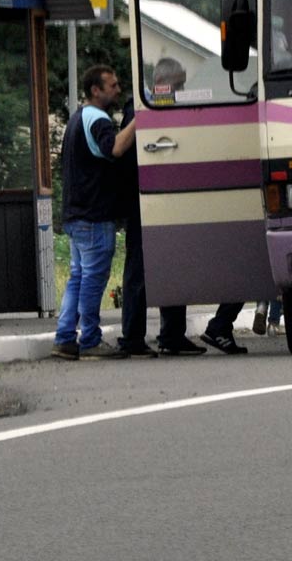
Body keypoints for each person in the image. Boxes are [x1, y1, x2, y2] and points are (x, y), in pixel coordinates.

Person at [117, 57, 249, 357]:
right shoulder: (138, 109)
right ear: (160, 83)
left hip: (171, 192)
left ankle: (172, 334)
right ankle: (132, 336)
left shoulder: (163, 106)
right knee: (140, 267)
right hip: (146, 197)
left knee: (174, 263)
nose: (182, 89)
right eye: (178, 84)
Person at [53, 65, 137, 361]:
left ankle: (65, 337)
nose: (117, 89)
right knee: (92, 279)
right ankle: (89, 339)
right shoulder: (99, 120)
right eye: (112, 85)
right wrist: (140, 119)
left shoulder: (78, 118)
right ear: (95, 90)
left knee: (77, 277)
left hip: (76, 215)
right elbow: (114, 148)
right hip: (95, 216)